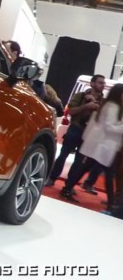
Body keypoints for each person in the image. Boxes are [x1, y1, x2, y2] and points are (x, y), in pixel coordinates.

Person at [60, 83, 123, 212]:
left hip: (103, 146)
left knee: (86, 169)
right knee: (107, 174)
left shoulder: (110, 105)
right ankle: (111, 204)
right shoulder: (112, 107)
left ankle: (67, 189)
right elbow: (109, 127)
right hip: (104, 146)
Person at [45, 74, 106, 186]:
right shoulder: (80, 96)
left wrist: (95, 104)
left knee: (79, 160)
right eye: (100, 82)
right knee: (63, 155)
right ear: (92, 84)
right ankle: (52, 177)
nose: (103, 85)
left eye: (103, 83)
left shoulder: (103, 101)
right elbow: (70, 111)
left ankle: (69, 185)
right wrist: (86, 106)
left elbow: (104, 117)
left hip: (89, 133)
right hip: (76, 128)